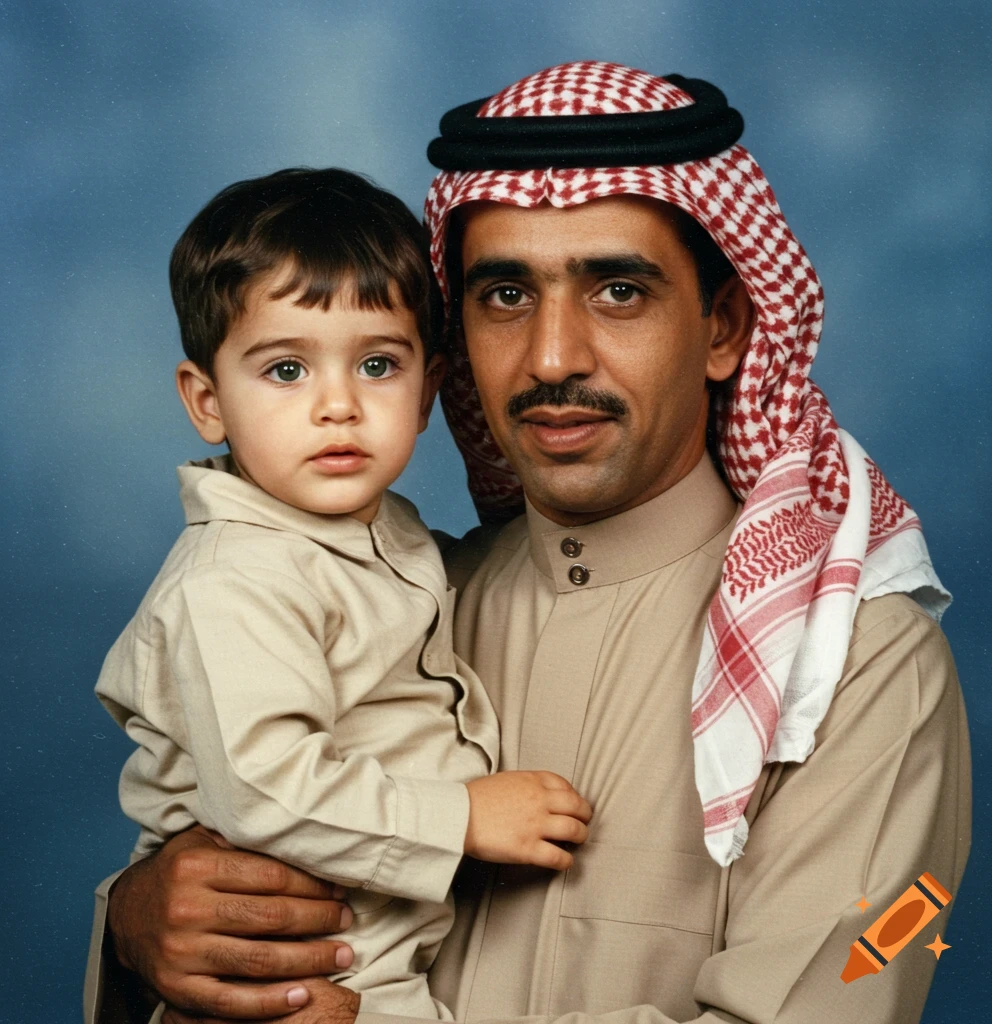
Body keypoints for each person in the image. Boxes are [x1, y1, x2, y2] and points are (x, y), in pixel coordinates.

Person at [85, 64, 971, 1024]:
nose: (552, 357)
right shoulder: (402, 605)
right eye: (505, 294)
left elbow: (855, 981)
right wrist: (131, 933)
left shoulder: (858, 668)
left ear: (723, 329)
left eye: (619, 291)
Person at [90, 167, 593, 1022]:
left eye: (376, 365)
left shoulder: (383, 536)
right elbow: (266, 793)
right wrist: (460, 819)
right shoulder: (237, 579)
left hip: (379, 932)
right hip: (300, 955)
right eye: (286, 369)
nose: (338, 407)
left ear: (430, 390)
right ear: (207, 401)